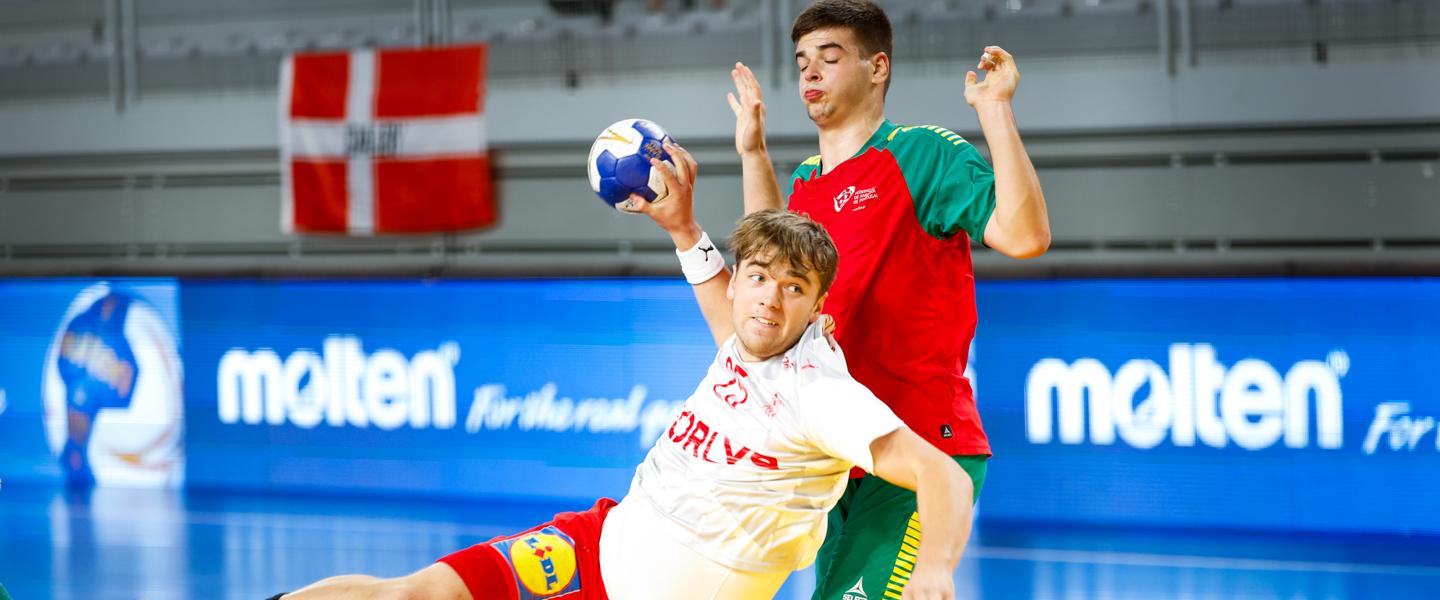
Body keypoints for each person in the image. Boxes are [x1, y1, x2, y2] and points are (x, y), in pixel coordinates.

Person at [274, 146, 975, 600]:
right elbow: (719, 295)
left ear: (819, 305)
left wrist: (937, 567)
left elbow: (940, 475)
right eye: (758, 277)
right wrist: (680, 228)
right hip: (591, 549)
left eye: (794, 287)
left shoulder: (820, 396)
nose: (770, 295)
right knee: (418, 593)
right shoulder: (742, 338)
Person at [685, 1, 1052, 597]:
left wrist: (995, 111)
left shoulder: (921, 154)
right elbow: (762, 277)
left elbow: (1025, 234)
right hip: (838, 458)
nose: (811, 74)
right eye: (803, 61)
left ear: (877, 67)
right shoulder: (804, 181)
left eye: (829, 58)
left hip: (921, 453)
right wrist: (753, 153)